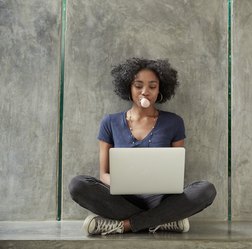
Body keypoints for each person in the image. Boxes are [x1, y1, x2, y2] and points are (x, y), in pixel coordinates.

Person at [68, 58, 216, 236]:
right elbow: (103, 174)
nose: (145, 92)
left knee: (206, 190)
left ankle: (125, 225)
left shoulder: (174, 122)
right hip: (122, 200)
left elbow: (176, 172)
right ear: (128, 88)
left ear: (160, 89)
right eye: (138, 86)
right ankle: (163, 221)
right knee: (77, 185)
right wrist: (119, 183)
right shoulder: (110, 122)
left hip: (161, 200)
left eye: (152, 86)